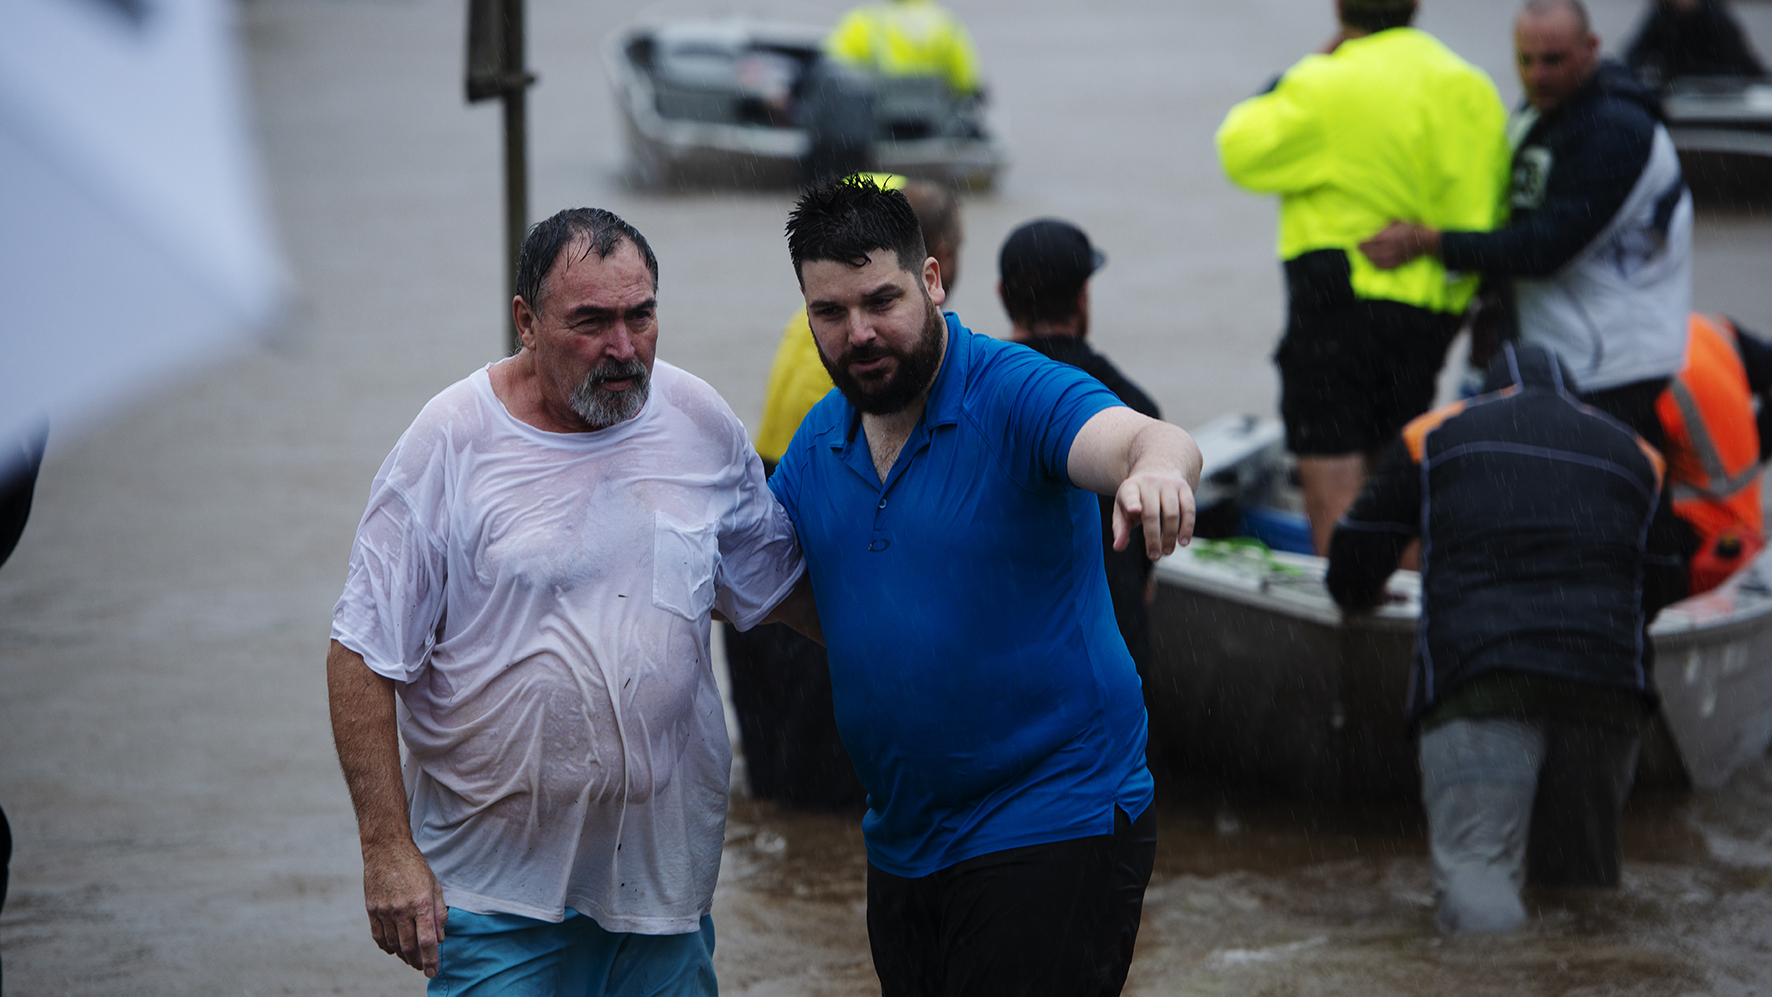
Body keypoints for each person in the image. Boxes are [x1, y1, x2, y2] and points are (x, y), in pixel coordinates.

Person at [326, 208, 817, 992]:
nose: (624, 348)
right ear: (526, 320)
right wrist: (386, 847)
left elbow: (789, 594)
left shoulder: (696, 422)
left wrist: (940, 649)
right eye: (591, 321)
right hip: (493, 897)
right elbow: (360, 653)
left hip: (663, 894)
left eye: (641, 315)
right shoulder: (451, 439)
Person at [771, 176, 1202, 996]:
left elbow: (1144, 436)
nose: (858, 333)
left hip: (1056, 808)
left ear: (932, 280)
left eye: (881, 300)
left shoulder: (1012, 388)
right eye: (830, 312)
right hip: (903, 836)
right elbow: (772, 585)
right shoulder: (819, 443)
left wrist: (1155, 474)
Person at [1326, 342, 1687, 934]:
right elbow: (1668, 578)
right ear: (1575, 396)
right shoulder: (1637, 453)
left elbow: (1355, 557)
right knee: (1580, 891)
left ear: (1485, 391)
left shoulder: (1434, 435)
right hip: (1608, 690)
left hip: (1482, 677)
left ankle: (1497, 980)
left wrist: (1361, 595)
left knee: (1478, 868)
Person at [1216, 0, 1511, 555]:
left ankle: (1348, 624)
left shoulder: (1327, 82)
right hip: (1431, 318)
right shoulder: (1471, 86)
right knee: (1397, 481)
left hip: (1337, 306)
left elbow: (1239, 150)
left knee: (1333, 485)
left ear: (1339, 8)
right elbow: (1489, 211)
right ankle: (1409, 622)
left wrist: (1293, 75)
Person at [1361, 0, 1694, 446]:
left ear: (1591, 47)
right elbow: (1506, 214)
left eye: (1553, 60)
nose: (1537, 75)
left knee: (1590, 504)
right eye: (1525, 60)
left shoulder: (1618, 129)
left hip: (1615, 367)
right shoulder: (1540, 113)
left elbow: (1546, 248)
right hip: (1551, 356)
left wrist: (1429, 242)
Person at [730, 173, 961, 812]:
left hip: (764, 552)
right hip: (810, 554)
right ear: (933, 260)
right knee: (829, 792)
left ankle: (798, 891)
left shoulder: (830, 311)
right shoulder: (875, 373)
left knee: (777, 794)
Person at [997, 218, 1163, 679]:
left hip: (1010, 659)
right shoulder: (1137, 412)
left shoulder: (976, 397)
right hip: (1115, 659)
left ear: (1000, 294)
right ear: (1083, 297)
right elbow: (1148, 563)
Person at [1658, 313, 1772, 593]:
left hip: (1705, 545)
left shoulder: (1647, 384)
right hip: (1742, 528)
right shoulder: (1704, 329)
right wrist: (1754, 446)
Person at [824, 0, 982, 98]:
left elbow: (832, 67)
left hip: (879, 126)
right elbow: (967, 82)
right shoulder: (946, 24)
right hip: (935, 126)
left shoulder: (864, 22)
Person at [1626, 0, 1766, 90]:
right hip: (1681, 95)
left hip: (1719, 95)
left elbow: (1742, 67)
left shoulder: (1715, 18)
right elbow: (1633, 56)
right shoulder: (1661, 17)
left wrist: (1681, 71)